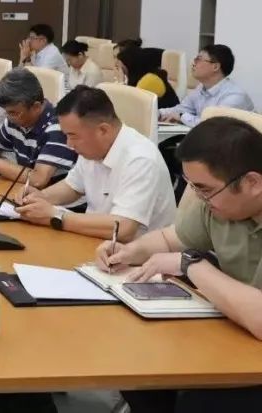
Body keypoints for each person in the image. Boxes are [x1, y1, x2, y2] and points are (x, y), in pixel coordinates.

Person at [95, 116, 262, 411]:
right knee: (141, 370)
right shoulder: (219, 204)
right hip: (237, 330)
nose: (198, 197)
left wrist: (192, 265)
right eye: (192, 187)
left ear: (252, 183)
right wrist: (130, 251)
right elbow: (173, 239)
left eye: (205, 189)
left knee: (204, 401)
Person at [14, 86, 176, 240]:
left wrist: (55, 216)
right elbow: (72, 187)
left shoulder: (141, 159)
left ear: (103, 130)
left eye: (73, 136)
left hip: (135, 254)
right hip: (95, 241)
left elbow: (123, 228)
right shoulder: (93, 147)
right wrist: (41, 197)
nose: (69, 144)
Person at [0, 68, 77, 189]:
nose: (9, 118)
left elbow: (38, 180)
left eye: (13, 113)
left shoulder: (58, 127)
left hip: (55, 199)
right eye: (7, 112)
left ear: (36, 107)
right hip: (25, 193)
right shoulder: (15, 119)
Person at [160, 44, 255, 127]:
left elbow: (211, 125)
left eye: (198, 59)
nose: (193, 63)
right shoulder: (201, 88)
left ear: (215, 67)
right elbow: (181, 109)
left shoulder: (234, 96)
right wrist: (158, 113)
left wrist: (182, 116)